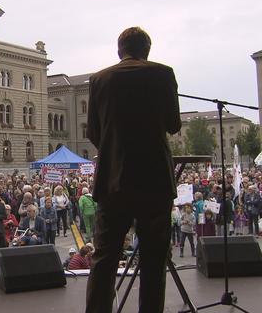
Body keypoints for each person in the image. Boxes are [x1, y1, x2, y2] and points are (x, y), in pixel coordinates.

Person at [86, 27, 181, 313]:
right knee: (154, 261)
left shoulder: (99, 79)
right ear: (147, 50)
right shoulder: (163, 74)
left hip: (113, 180)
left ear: (120, 49)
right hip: (154, 181)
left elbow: (93, 132)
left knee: (103, 259)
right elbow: (174, 124)